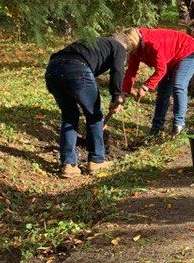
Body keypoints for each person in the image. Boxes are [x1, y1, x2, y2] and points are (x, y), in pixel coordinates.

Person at [44, 29, 139, 178]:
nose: (126, 55)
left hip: (52, 69)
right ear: (128, 44)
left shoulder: (95, 42)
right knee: (94, 115)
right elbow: (117, 71)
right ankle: (96, 161)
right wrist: (117, 97)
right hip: (77, 69)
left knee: (69, 116)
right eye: (129, 51)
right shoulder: (119, 47)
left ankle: (68, 165)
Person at [121, 27, 194, 137]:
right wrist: (124, 93)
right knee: (163, 91)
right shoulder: (135, 49)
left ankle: (179, 124)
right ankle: (156, 128)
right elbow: (131, 72)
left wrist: (145, 87)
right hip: (169, 58)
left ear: (135, 42)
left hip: (187, 51)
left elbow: (161, 70)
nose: (131, 53)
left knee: (178, 85)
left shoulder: (153, 43)